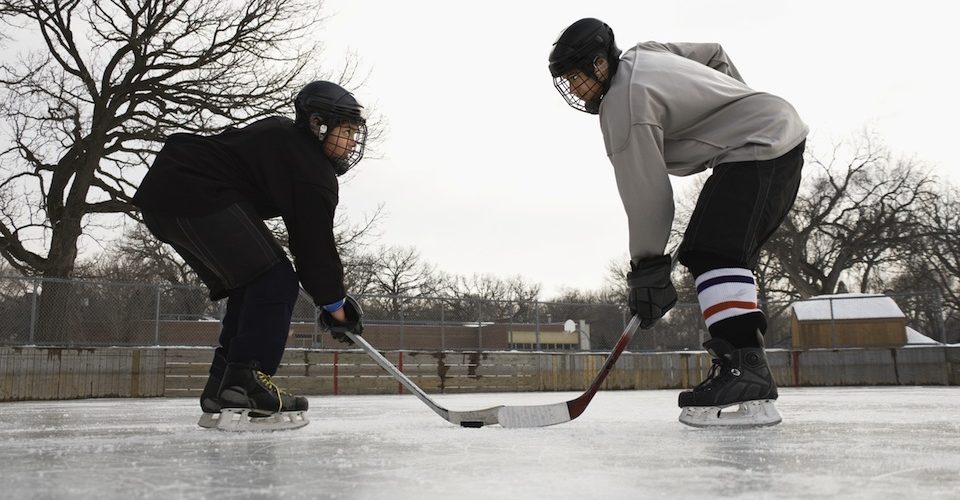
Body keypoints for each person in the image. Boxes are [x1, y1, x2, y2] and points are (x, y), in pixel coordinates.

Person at [548, 19, 807, 427]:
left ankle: (746, 371)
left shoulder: (622, 106)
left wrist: (646, 269)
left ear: (600, 66)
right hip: (769, 135)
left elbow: (648, 198)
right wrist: (735, 105)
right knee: (719, 251)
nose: (574, 90)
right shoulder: (645, 53)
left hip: (760, 145)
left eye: (577, 77)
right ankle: (743, 368)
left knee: (712, 250)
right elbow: (715, 54)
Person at [133, 81, 367, 431]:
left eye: (354, 132)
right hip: (194, 191)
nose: (351, 142)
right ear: (318, 124)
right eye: (345, 130)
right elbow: (313, 245)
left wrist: (331, 298)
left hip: (163, 197)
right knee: (276, 279)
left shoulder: (283, 137)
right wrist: (335, 306)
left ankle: (224, 384)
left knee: (253, 282)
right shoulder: (310, 169)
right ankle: (246, 382)